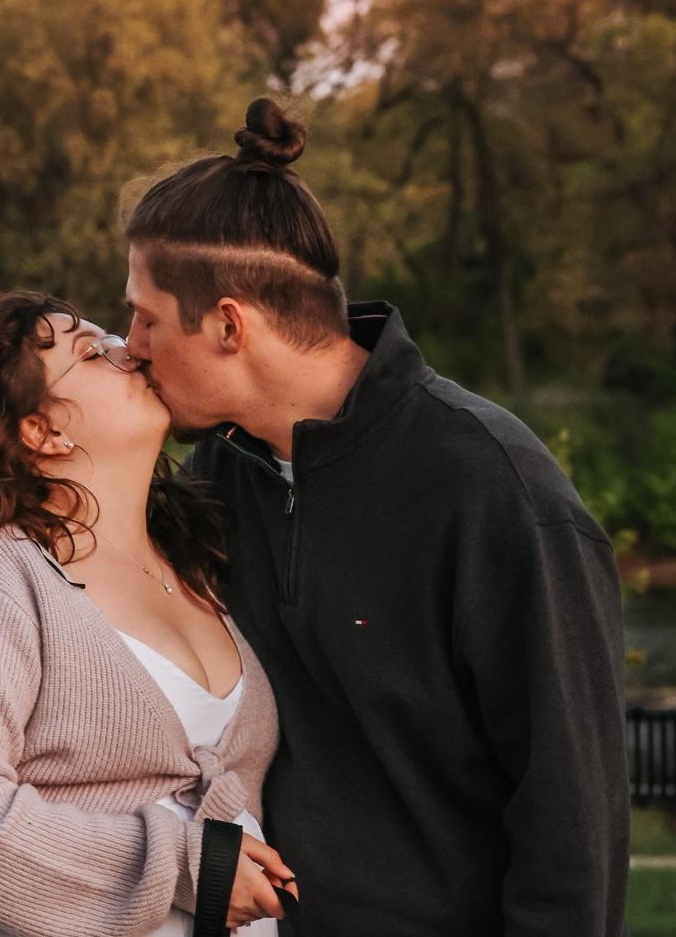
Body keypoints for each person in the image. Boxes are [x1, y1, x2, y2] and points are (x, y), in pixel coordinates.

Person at [122, 99, 630, 936]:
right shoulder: (215, 478)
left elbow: (574, 822)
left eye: (145, 317)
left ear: (227, 325)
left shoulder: (492, 492)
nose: (130, 345)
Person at [0, 289, 299, 936]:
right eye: (93, 353)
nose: (131, 351)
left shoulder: (194, 557)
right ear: (41, 430)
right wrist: (188, 866)